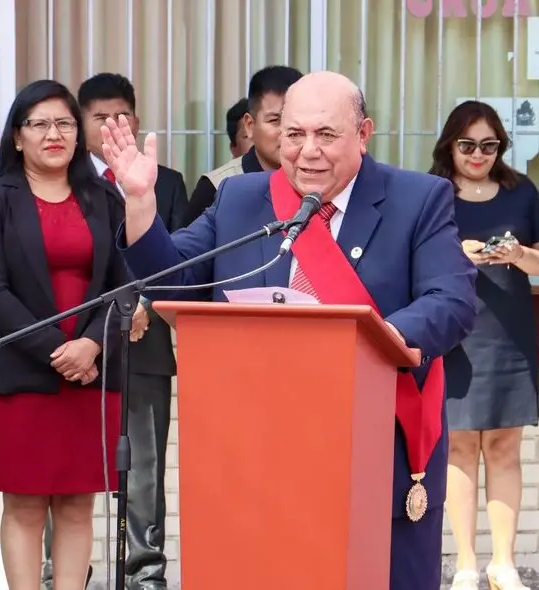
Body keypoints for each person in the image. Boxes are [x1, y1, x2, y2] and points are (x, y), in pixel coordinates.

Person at [103, 70, 478, 590]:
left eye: (326, 135)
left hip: (373, 442)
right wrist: (140, 202)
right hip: (256, 450)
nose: (308, 152)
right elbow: (175, 278)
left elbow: (453, 301)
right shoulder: (240, 198)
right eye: (294, 135)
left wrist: (368, 341)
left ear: (363, 134)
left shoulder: (418, 199)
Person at [0, 79, 128, 590]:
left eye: (64, 123)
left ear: (79, 134)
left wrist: (92, 344)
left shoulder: (103, 196)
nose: (53, 134)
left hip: (93, 371)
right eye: (39, 124)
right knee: (26, 502)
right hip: (21, 372)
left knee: (79, 501)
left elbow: (124, 284)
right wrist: (60, 350)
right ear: (17, 137)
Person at [52, 71, 185, 590]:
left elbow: (174, 256)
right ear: (83, 123)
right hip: (79, 345)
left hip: (146, 346)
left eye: (121, 113)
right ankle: (64, 572)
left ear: (136, 116)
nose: (112, 123)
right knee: (67, 471)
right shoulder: (62, 180)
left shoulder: (167, 182)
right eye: (100, 115)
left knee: (145, 470)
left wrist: (146, 301)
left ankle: (144, 575)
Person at [428, 101, 539, 590]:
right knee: (459, 446)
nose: (478, 154)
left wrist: (519, 253)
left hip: (508, 331)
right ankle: (465, 564)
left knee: (504, 446)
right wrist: (456, 254)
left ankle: (504, 563)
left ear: (500, 145)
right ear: (450, 145)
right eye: (467, 145)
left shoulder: (519, 190)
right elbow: (414, 258)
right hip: (456, 332)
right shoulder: (433, 192)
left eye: (489, 145)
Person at [181, 65, 303, 226]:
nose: (288, 132)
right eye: (275, 120)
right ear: (250, 125)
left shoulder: (320, 180)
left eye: (296, 122)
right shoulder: (217, 186)